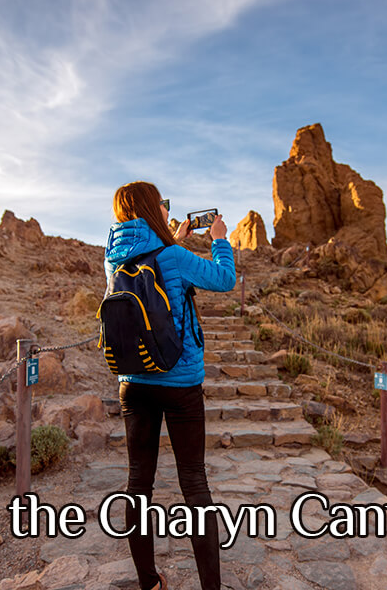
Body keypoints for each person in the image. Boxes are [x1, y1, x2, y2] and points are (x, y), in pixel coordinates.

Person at [103, 181, 235, 590]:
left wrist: (172, 238)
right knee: (194, 482)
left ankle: (149, 582)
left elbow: (150, 267)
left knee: (138, 482)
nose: (168, 209)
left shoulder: (112, 260)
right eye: (164, 204)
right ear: (150, 207)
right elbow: (225, 279)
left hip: (133, 384)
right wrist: (220, 240)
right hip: (180, 385)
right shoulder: (175, 257)